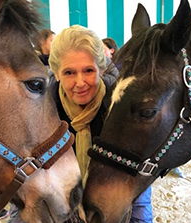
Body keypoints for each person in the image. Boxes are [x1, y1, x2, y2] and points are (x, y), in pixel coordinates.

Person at [49, 25, 153, 223]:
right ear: (56, 73)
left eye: (88, 70)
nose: (80, 82)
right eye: (69, 72)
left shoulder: (122, 111)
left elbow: (138, 185)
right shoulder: (42, 114)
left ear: (101, 68)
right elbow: (26, 184)